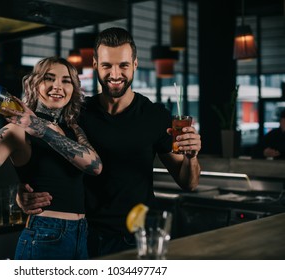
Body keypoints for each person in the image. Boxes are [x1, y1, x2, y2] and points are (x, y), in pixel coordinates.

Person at [17, 27, 202, 258]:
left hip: (136, 238)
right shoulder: (75, 114)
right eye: (107, 66)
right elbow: (43, 165)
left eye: (123, 65)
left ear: (135, 64)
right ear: (95, 64)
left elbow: (189, 183)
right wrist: (20, 195)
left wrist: (192, 157)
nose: (115, 74)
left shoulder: (155, 116)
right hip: (83, 237)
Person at [0, 56, 102, 260]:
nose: (57, 86)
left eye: (66, 81)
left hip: (82, 235)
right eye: (49, 79)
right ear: (34, 84)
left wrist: (37, 125)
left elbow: (95, 166)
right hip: (45, 235)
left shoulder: (74, 128)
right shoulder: (16, 131)